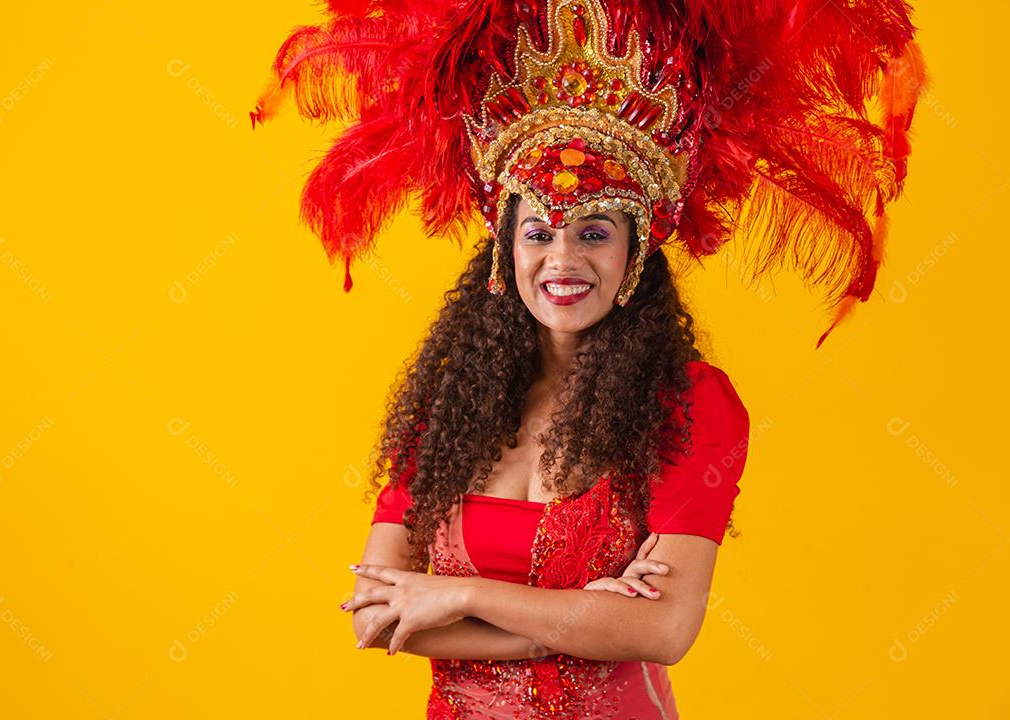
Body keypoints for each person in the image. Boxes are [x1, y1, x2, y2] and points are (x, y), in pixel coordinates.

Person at [249, 0, 924, 716]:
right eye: (538, 231)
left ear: (636, 251)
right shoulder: (456, 403)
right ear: (506, 250)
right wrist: (570, 625)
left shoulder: (690, 403)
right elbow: (377, 614)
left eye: (595, 232)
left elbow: (663, 628)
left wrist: (462, 597)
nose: (562, 259)